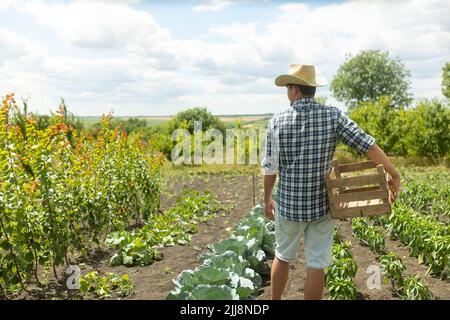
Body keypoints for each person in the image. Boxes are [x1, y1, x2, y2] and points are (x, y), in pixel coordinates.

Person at [261, 64, 400, 300]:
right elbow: (367, 144)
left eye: (287, 87)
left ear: (294, 90)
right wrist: (393, 174)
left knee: (282, 256)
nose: (287, 92)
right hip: (321, 206)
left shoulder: (277, 121)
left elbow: (270, 167)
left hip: (288, 205)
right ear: (312, 89)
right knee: (316, 264)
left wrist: (267, 198)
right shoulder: (333, 116)